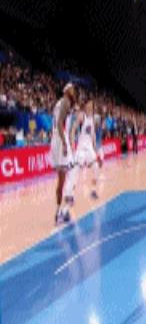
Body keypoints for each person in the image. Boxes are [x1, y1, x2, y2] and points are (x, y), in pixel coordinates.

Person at [49, 83, 77, 225]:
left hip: (55, 140)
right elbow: (60, 123)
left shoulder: (59, 103)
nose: (73, 91)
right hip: (61, 140)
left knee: (62, 179)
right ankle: (64, 208)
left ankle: (60, 212)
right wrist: (65, 144)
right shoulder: (65, 101)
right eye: (71, 89)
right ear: (66, 91)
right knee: (71, 172)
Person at [74, 100, 100, 199]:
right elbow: (74, 127)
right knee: (76, 171)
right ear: (85, 106)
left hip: (89, 147)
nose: (89, 107)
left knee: (96, 167)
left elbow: (93, 134)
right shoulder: (82, 116)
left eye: (91, 105)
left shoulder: (92, 119)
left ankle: (93, 191)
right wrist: (72, 141)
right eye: (88, 105)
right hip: (81, 147)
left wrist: (95, 148)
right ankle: (70, 193)